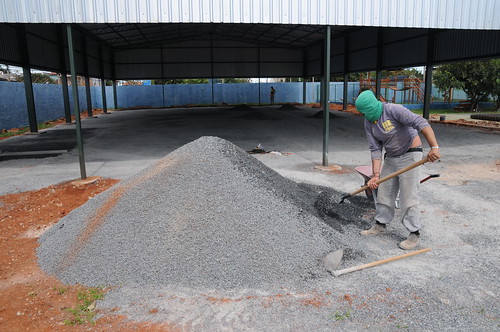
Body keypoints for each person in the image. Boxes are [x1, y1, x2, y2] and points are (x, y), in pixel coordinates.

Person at [355, 90, 440, 250]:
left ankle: (414, 234)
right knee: (384, 192)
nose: (364, 116)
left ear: (372, 107)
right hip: (391, 157)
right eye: (362, 113)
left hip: (410, 154)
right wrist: (375, 175)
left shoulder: (393, 110)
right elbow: (375, 148)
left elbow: (421, 123)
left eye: (365, 112)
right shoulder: (368, 122)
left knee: (408, 196)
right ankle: (380, 225)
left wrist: (434, 147)